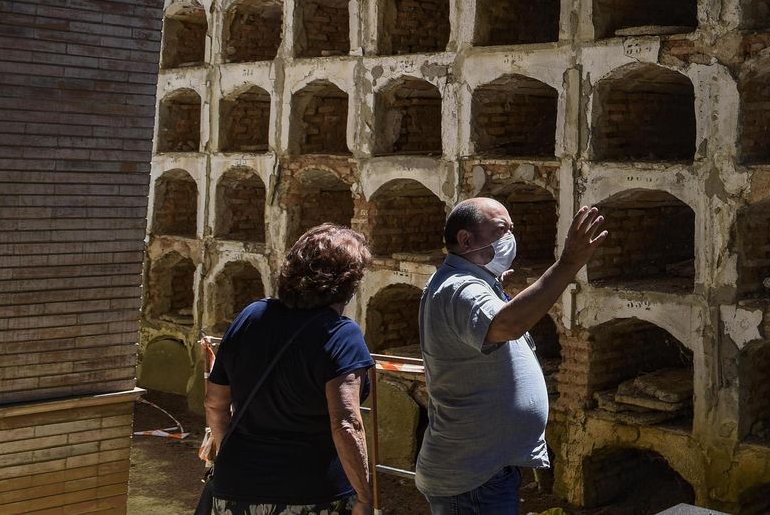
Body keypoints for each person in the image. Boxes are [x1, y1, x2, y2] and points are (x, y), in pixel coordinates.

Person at [415, 198, 607, 513]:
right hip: (471, 480)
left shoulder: (473, 284)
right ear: (466, 239)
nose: (510, 238)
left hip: (484, 472)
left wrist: (493, 287)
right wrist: (568, 263)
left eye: (512, 229)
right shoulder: (458, 288)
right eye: (501, 230)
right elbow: (508, 325)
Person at [199, 224, 375, 515]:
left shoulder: (251, 317)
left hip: (236, 488)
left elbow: (215, 404)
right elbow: (346, 424)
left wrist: (231, 458)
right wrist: (366, 497)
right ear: (348, 283)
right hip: (310, 492)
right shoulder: (341, 335)